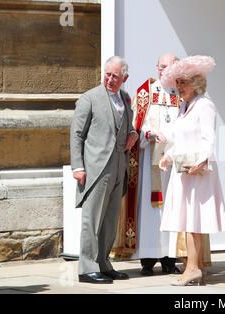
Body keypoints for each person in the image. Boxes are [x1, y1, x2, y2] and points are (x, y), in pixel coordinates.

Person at [159, 55, 225, 286]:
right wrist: (168, 156)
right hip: (184, 171)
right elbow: (181, 139)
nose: (178, 88)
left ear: (196, 84)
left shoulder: (205, 105)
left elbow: (209, 139)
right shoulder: (184, 107)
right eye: (177, 83)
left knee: (192, 222)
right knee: (190, 222)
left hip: (197, 173)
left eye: (183, 83)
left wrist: (201, 161)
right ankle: (197, 267)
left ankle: (191, 268)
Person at [71, 56, 139, 283]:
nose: (110, 79)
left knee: (110, 219)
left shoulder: (126, 98)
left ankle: (103, 263)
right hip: (95, 167)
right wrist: (78, 167)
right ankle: (86, 268)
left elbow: (127, 127)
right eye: (107, 74)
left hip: (120, 164)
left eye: (115, 76)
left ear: (124, 78)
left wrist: (133, 134)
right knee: (92, 219)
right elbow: (77, 135)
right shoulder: (89, 98)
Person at [131, 53, 182, 275]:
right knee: (151, 210)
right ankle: (148, 259)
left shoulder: (182, 95)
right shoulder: (145, 93)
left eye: (167, 67)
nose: (162, 71)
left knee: (173, 208)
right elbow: (134, 127)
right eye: (160, 66)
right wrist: (149, 134)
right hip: (149, 160)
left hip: (173, 163)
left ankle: (170, 258)